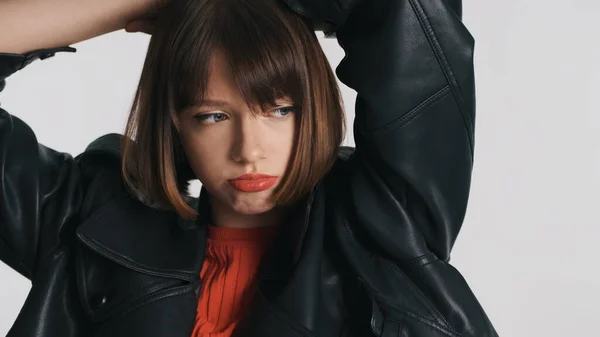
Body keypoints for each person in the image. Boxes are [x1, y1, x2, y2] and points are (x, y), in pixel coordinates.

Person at [0, 0, 498, 336]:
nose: (248, 149)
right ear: (175, 123)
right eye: (213, 116)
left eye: (279, 109)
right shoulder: (88, 221)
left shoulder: (384, 224)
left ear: (316, 107)